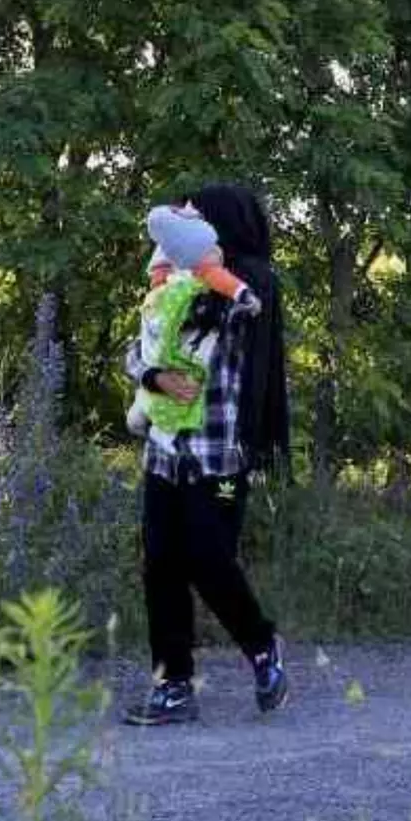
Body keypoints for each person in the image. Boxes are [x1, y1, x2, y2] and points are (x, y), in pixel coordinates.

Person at [122, 184, 292, 726]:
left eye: (199, 217)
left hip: (220, 453)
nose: (188, 223)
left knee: (207, 558)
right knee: (161, 565)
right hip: (166, 451)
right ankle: (172, 685)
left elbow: (234, 316)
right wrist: (154, 376)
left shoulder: (250, 284)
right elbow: (140, 349)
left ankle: (262, 645)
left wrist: (203, 276)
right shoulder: (170, 282)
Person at [126, 203, 260, 439]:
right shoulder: (174, 286)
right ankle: (144, 405)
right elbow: (135, 354)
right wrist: (153, 378)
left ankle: (149, 408)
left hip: (213, 445)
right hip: (167, 453)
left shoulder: (240, 294)